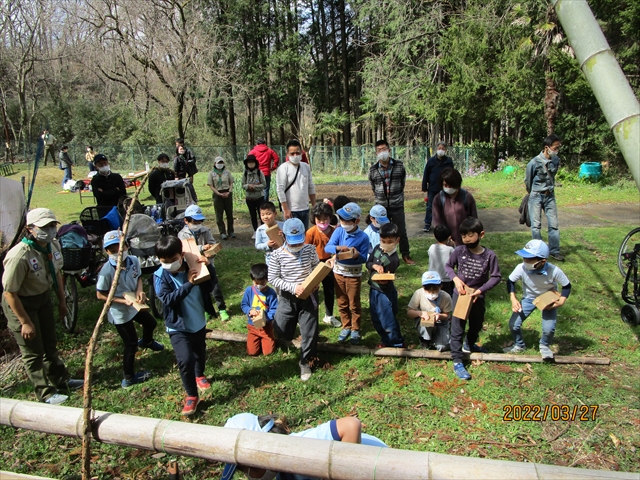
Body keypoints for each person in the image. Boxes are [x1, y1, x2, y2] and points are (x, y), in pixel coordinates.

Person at [1, 208, 83, 405]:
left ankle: (61, 379)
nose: (50, 230)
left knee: (49, 343)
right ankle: (44, 392)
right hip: (21, 304)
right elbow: (9, 292)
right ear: (30, 229)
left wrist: (63, 302)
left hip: (43, 298)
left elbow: (57, 276)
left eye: (52, 225)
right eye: (44, 227)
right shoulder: (19, 255)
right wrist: (25, 322)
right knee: (33, 350)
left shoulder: (53, 245)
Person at [220, 413, 387, 480]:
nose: (249, 477)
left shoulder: (303, 446)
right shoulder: (283, 473)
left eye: (247, 470)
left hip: (380, 464)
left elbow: (351, 425)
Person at [154, 235, 215, 416]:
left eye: (173, 260)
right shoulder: (160, 276)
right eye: (164, 261)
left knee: (199, 352)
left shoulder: (193, 266)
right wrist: (188, 284)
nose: (169, 264)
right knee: (185, 359)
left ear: (181, 255)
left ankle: (199, 374)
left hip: (197, 320)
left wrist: (208, 267)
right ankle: (191, 396)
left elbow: (211, 286)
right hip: (177, 326)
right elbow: (167, 299)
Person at [96, 230, 164, 388]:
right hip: (120, 311)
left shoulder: (133, 260)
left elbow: (138, 277)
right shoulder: (107, 271)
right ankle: (129, 378)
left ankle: (147, 341)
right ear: (107, 252)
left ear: (127, 246)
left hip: (135, 304)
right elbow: (100, 295)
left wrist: (140, 291)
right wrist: (121, 301)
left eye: (120, 249)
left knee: (151, 323)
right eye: (112, 251)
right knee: (131, 344)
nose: (117, 254)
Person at [445, 217, 501, 380]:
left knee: (476, 323)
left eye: (470, 235)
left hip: (477, 297)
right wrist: (455, 279)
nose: (467, 239)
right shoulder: (459, 251)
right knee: (457, 327)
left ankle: (469, 343)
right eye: (464, 236)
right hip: (461, 296)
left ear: (481, 234)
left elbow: (496, 276)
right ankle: (457, 360)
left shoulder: (489, 255)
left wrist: (481, 290)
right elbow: (448, 266)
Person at [268, 218, 320, 381]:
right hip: (287, 296)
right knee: (281, 329)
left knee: (310, 330)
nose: (297, 246)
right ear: (283, 236)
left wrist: (315, 281)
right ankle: (288, 336)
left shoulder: (310, 250)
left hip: (308, 296)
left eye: (299, 242)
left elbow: (315, 268)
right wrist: (292, 287)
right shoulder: (277, 255)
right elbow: (273, 278)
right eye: (293, 243)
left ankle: (305, 361)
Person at [505, 239, 571, 359]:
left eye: (529, 259)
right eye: (524, 257)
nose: (525, 261)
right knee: (513, 324)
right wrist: (513, 298)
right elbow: (510, 281)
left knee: (548, 329)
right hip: (529, 298)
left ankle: (544, 345)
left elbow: (566, 285)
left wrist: (561, 301)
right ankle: (519, 345)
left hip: (548, 299)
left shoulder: (554, 271)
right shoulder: (521, 268)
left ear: (542, 261)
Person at [324, 202, 369, 345]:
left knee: (354, 303)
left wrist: (356, 255)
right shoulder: (338, 231)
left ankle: (355, 328)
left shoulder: (363, 237)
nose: (343, 222)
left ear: (356, 221)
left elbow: (364, 258)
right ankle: (346, 326)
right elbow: (328, 248)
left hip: (354, 275)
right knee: (342, 301)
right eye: (341, 219)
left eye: (346, 220)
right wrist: (337, 248)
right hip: (338, 272)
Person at [177, 204, 229, 321]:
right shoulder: (182, 234)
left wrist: (211, 252)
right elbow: (185, 249)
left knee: (215, 287)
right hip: (193, 266)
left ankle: (222, 309)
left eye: (199, 222)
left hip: (208, 263)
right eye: (195, 222)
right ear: (186, 221)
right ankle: (207, 310)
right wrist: (201, 248)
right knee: (201, 291)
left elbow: (213, 245)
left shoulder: (205, 231)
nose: (197, 225)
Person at [368, 139, 415, 265]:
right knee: (382, 232)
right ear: (376, 153)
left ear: (389, 150)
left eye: (384, 149)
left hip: (397, 204)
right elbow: (373, 186)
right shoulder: (373, 170)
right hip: (380, 207)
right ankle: (382, 257)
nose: (382, 152)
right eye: (379, 150)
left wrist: (396, 196)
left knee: (401, 231)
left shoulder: (399, 166)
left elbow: (402, 183)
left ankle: (405, 255)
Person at [525, 134, 564, 261]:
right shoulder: (534, 162)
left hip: (550, 196)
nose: (557, 150)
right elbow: (528, 180)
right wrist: (533, 192)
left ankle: (554, 251)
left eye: (558, 148)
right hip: (536, 196)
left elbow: (552, 176)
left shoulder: (556, 160)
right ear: (547, 148)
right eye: (555, 148)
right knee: (536, 226)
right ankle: (538, 250)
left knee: (554, 224)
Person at [367, 222, 404, 348]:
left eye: (389, 241)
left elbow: (386, 280)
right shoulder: (377, 248)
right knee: (376, 318)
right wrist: (374, 266)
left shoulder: (393, 259)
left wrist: (382, 279)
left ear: (397, 240)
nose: (386, 244)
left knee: (387, 319)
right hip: (374, 289)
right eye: (383, 240)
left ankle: (396, 342)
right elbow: (369, 263)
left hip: (385, 292)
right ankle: (385, 340)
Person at [305, 201, 340, 327]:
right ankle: (310, 317)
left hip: (329, 262)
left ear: (330, 218)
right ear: (314, 219)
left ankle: (329, 315)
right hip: (314, 263)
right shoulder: (310, 232)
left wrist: (334, 258)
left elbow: (338, 247)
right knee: (312, 290)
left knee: (329, 290)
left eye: (325, 220)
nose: (322, 223)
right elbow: (306, 250)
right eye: (319, 220)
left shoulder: (335, 231)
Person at [431, 167, 478, 246]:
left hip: (465, 243)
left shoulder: (467, 197)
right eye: (445, 185)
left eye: (451, 185)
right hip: (446, 243)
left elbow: (474, 220)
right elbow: (437, 223)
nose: (448, 188)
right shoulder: (438, 199)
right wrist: (445, 240)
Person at [407, 271, 453, 351]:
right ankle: (425, 340)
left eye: (435, 290)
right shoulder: (418, 293)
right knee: (426, 325)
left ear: (440, 286)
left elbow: (446, 315)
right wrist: (419, 313)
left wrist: (439, 316)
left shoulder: (446, 297)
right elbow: (409, 312)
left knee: (442, 347)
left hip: (441, 323)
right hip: (424, 322)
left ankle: (437, 337)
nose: (431, 293)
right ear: (423, 287)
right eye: (428, 290)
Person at [276, 139, 316, 229]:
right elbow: (280, 190)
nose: (295, 155)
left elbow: (311, 186)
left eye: (297, 153)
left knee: (304, 236)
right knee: (293, 237)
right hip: (291, 210)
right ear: (287, 154)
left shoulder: (306, 167)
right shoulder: (283, 168)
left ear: (301, 153)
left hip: (305, 208)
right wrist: (286, 209)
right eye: (292, 153)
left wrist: (314, 205)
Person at [241, 263, 278, 356]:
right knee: (252, 352)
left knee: (268, 352)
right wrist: (249, 311)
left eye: (262, 283)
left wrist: (266, 319)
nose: (258, 285)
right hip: (252, 326)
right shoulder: (249, 290)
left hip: (266, 327)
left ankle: (268, 340)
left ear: (267, 280)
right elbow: (244, 305)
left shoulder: (271, 292)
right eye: (256, 283)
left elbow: (274, 309)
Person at [422, 142, 454, 233]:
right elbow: (426, 175)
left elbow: (452, 174)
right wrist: (425, 188)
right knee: (430, 207)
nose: (441, 150)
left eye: (443, 149)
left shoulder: (448, 161)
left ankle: (445, 223)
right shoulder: (431, 161)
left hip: (445, 188)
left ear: (446, 150)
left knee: (446, 206)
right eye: (439, 148)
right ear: (436, 149)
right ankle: (427, 224)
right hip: (432, 188)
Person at [207, 157, 235, 239]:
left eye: (221, 162)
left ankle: (231, 231)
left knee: (229, 213)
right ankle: (222, 232)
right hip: (217, 194)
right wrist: (218, 193)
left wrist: (229, 192)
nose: (220, 164)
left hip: (227, 193)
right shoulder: (211, 173)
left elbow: (231, 183)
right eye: (218, 163)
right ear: (215, 163)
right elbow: (211, 185)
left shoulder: (227, 172)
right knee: (219, 215)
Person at [242, 154, 267, 238]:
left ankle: (263, 231)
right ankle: (255, 231)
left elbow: (264, 184)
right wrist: (248, 186)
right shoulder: (245, 173)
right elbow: (243, 185)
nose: (251, 164)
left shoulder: (260, 173)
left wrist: (255, 187)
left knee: (262, 215)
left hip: (259, 197)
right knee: (253, 215)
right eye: (249, 162)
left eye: (252, 162)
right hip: (249, 198)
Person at [428, 225, 455, 296]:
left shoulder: (431, 247)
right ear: (449, 237)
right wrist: (453, 245)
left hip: (432, 278)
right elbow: (456, 257)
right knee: (447, 297)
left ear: (434, 236)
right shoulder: (450, 250)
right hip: (446, 279)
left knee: (434, 295)